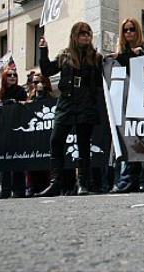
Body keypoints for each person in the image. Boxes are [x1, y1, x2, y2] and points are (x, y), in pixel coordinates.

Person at [37, 22, 103, 196]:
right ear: (75, 36)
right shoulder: (64, 55)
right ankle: (56, 183)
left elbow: (100, 83)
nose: (86, 37)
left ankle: (83, 182)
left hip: (86, 104)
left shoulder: (96, 57)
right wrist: (43, 50)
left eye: (88, 34)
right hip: (66, 103)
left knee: (83, 144)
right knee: (56, 141)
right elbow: (47, 70)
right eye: (82, 34)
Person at [110, 18, 144, 193]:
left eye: (131, 29)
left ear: (137, 30)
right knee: (131, 141)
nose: (129, 33)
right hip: (128, 103)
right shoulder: (118, 55)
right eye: (125, 30)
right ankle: (129, 180)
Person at [0, 67, 28, 198]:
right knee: (5, 161)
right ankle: (5, 190)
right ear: (4, 78)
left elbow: (25, 106)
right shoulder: (1, 93)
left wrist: (16, 103)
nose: (13, 77)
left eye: (14, 75)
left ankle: (19, 190)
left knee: (18, 159)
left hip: (18, 130)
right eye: (9, 75)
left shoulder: (20, 91)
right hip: (4, 131)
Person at [26, 73, 54, 196]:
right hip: (34, 136)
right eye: (35, 82)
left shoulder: (51, 98)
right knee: (32, 161)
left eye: (39, 82)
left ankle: (46, 185)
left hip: (46, 134)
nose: (37, 85)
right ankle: (32, 186)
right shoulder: (30, 100)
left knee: (46, 162)